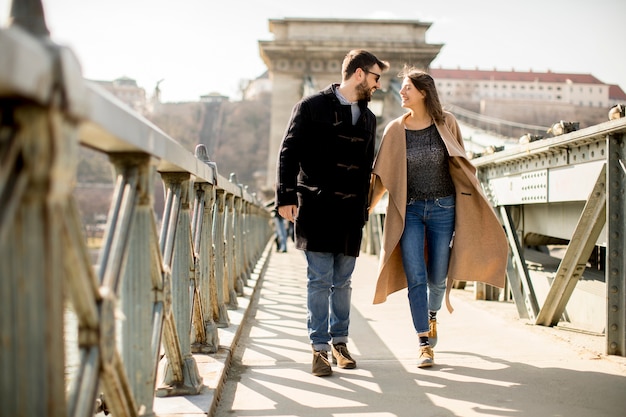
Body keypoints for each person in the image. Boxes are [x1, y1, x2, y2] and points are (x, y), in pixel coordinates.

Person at [368, 66, 508, 368]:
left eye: (407, 87)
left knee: (438, 279)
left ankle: (432, 316)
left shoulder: (448, 123)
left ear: (423, 92)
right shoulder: (395, 129)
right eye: (402, 87)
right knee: (416, 277)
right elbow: (381, 175)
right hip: (411, 212)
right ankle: (423, 342)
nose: (401, 92)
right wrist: (364, 206)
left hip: (444, 208)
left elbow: (460, 162)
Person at [276, 49, 389, 377]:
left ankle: (340, 342)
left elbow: (368, 166)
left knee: (343, 282)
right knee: (320, 280)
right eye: (375, 77)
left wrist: (367, 206)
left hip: (351, 211)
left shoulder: (369, 117)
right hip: (317, 206)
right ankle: (320, 349)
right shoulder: (310, 107)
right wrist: (285, 197)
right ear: (358, 74)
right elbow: (288, 153)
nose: (379, 84)